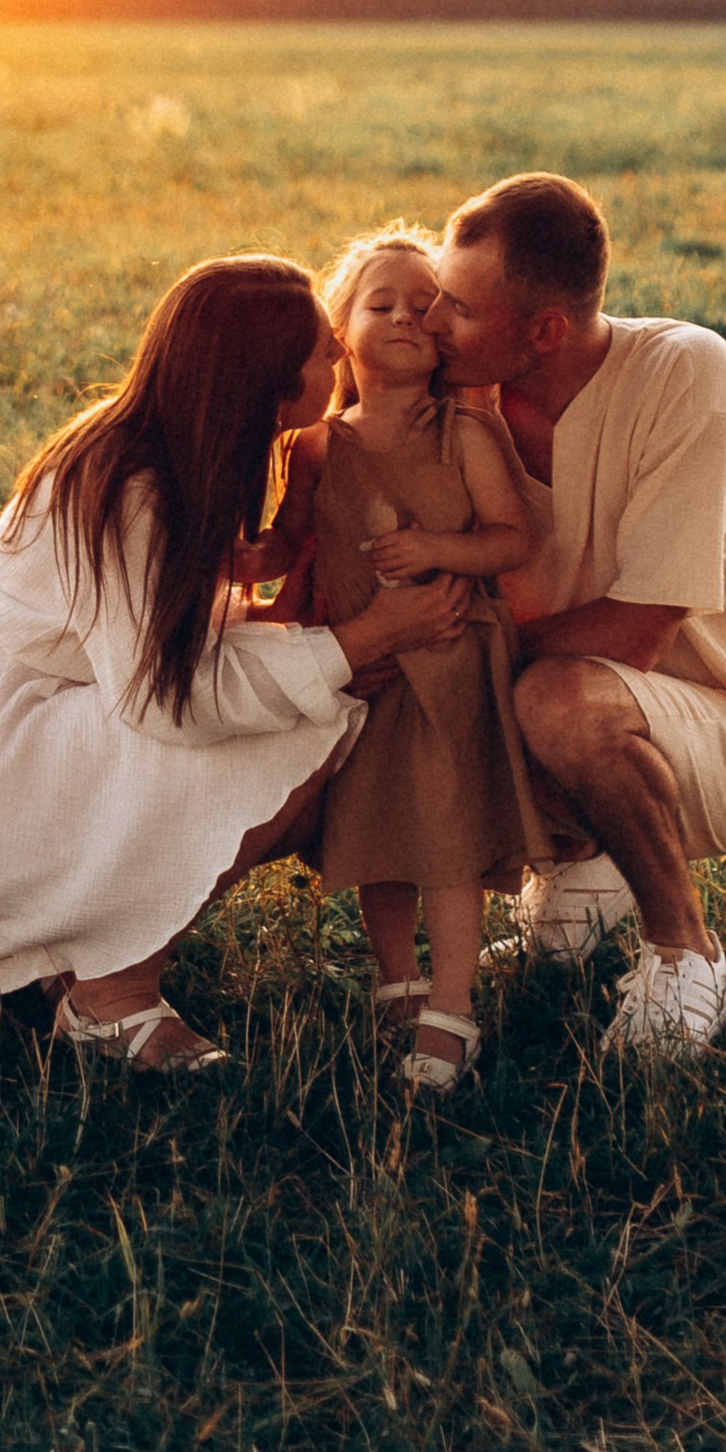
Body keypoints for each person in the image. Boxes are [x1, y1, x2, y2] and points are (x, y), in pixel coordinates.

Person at [0, 255, 468, 1071]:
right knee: (306, 727)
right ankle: (110, 993)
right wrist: (366, 638)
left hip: (34, 711)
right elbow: (164, 698)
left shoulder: (165, 449)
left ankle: (78, 945)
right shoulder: (127, 486)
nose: (338, 363)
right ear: (267, 385)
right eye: (323, 352)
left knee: (308, 693)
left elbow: (160, 635)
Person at [427, 172, 726, 1056]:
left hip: (719, 728)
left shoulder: (687, 372)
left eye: (462, 311)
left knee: (557, 698)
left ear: (546, 331)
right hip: (552, 697)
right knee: (474, 690)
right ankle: (584, 875)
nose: (435, 324)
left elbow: (640, 633)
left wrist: (457, 655)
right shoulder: (457, 401)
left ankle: (685, 954)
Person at [268, 223, 556, 1093]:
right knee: (374, 828)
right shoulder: (319, 448)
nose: (401, 317)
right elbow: (289, 546)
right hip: (359, 669)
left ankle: (452, 1007)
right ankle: (397, 978)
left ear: (443, 335)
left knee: (444, 838)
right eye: (378, 303)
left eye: (422, 306)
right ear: (339, 329)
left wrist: (437, 545)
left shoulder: (463, 432)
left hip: (447, 660)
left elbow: (514, 537)